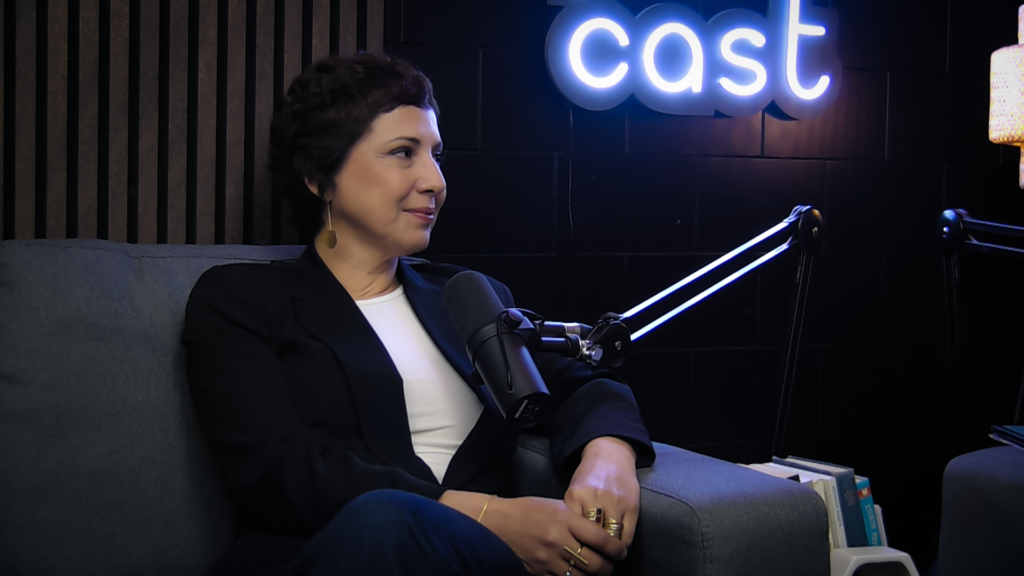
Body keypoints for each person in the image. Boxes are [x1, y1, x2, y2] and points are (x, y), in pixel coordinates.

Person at [182, 53, 656, 576]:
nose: (435, 180)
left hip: (476, 565)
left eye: (436, 154)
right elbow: (280, 471)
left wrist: (608, 457)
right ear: (319, 176)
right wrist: (490, 516)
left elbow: (583, 383)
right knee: (384, 521)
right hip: (329, 556)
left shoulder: (464, 297)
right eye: (403, 153)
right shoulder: (240, 300)